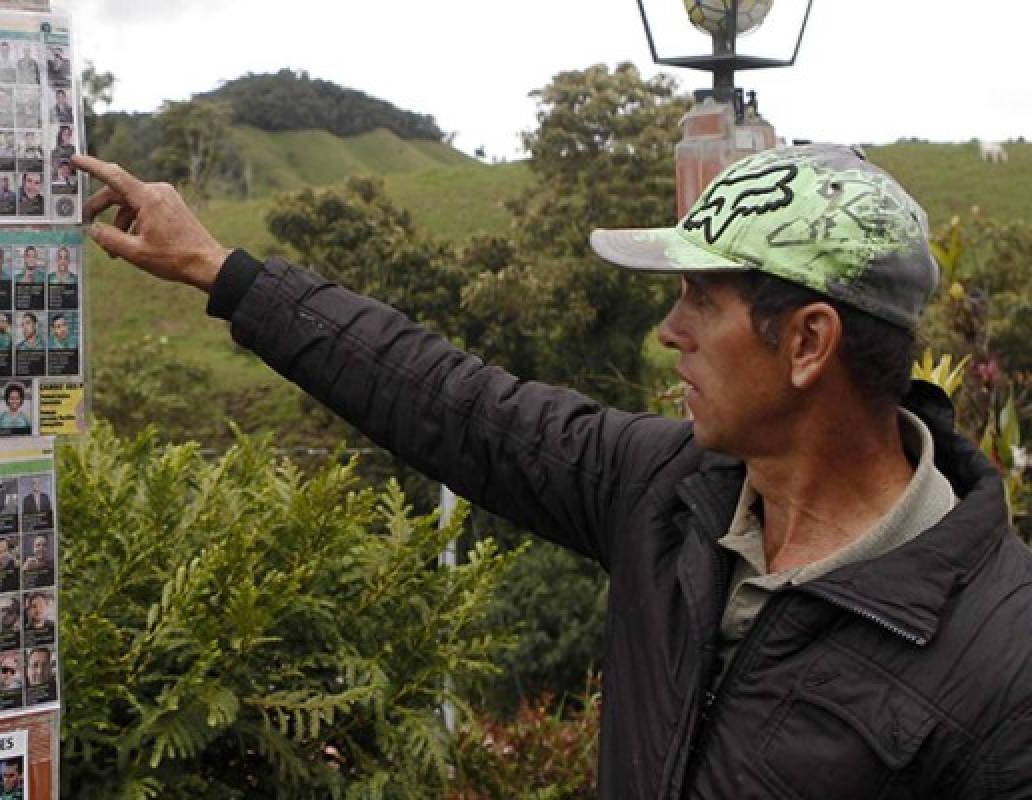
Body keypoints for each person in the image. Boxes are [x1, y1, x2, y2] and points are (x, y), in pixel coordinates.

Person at [74, 144, 1032, 796]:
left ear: (810, 342)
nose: (670, 332)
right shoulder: (670, 494)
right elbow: (453, 403)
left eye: (701, 301)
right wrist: (219, 269)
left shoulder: (1001, 656)